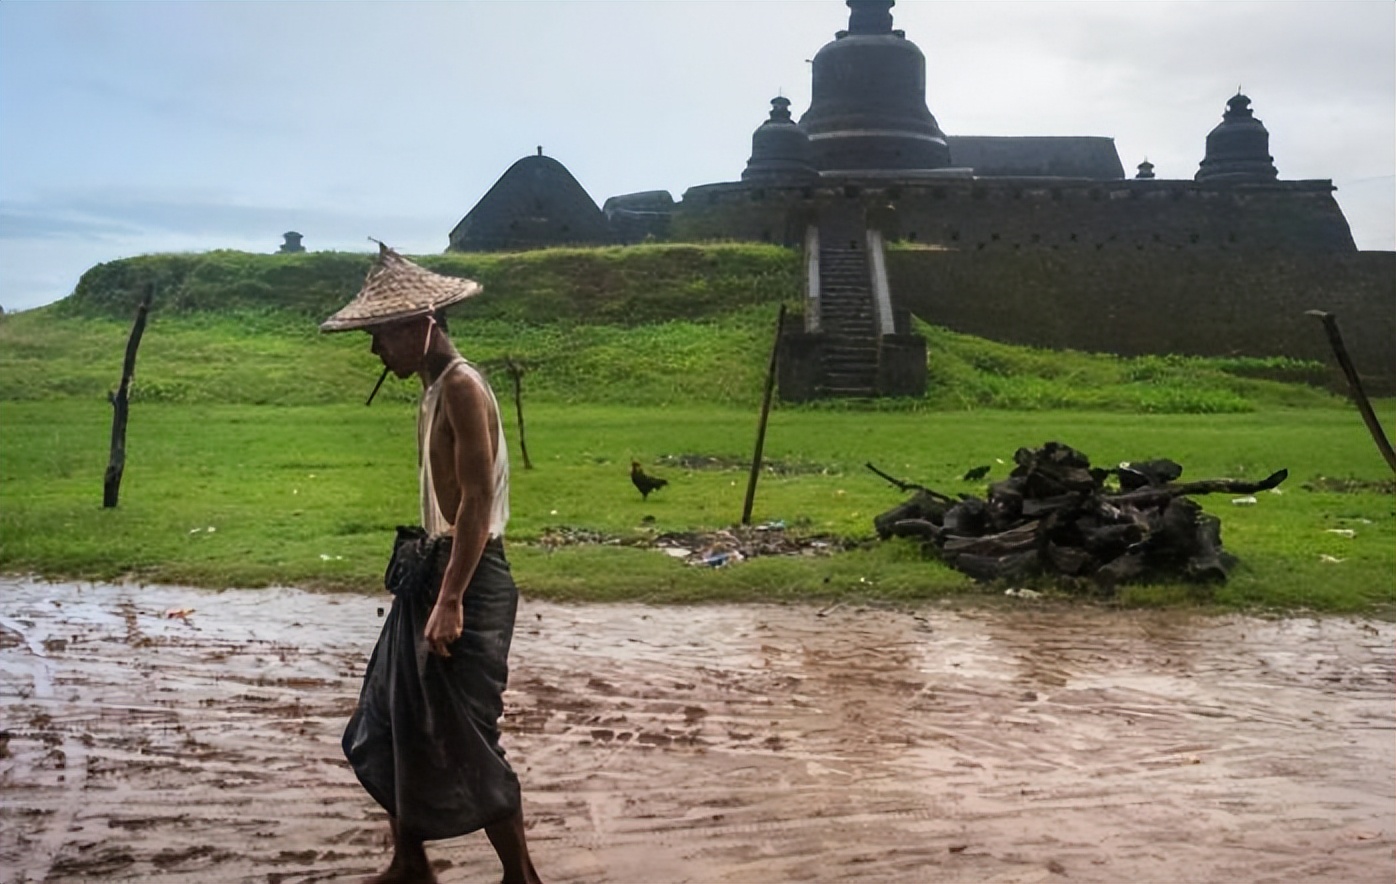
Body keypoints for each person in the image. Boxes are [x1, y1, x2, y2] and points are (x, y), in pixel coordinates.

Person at [321, 244, 543, 884]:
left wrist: (451, 599)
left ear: (422, 324)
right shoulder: (431, 389)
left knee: (465, 732)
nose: (374, 351)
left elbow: (475, 504)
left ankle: (521, 875)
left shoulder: (464, 388)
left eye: (381, 335)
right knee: (390, 719)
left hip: (469, 576)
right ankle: (409, 862)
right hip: (435, 569)